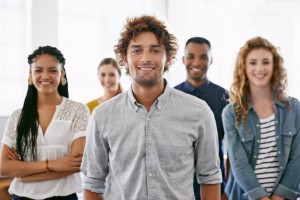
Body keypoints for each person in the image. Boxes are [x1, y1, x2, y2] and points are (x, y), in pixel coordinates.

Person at [81, 15, 222, 200]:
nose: (146, 58)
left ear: (169, 58)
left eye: (155, 51)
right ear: (124, 58)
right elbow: (93, 182)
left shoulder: (199, 112)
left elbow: (210, 177)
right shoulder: (101, 116)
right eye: (137, 50)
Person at [0, 46, 89, 199]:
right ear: (30, 74)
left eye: (53, 70)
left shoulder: (78, 111)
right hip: (22, 197)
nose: (45, 76)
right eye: (38, 70)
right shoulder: (17, 116)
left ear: (62, 74)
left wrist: (24, 175)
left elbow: (76, 164)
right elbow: (5, 168)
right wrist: (53, 164)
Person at [222, 37, 300, 200]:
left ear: (274, 65)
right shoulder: (231, 113)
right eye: (252, 62)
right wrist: (261, 198)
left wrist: (279, 196)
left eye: (265, 62)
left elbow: (297, 157)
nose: (259, 68)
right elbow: (238, 163)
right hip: (244, 196)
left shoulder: (294, 108)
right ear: (243, 67)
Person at [175, 37, 228, 199]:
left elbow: (233, 147)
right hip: (177, 187)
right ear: (183, 60)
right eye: (191, 56)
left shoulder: (224, 97)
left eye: (203, 57)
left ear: (211, 60)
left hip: (216, 188)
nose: (196, 62)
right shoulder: (170, 97)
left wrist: (227, 189)